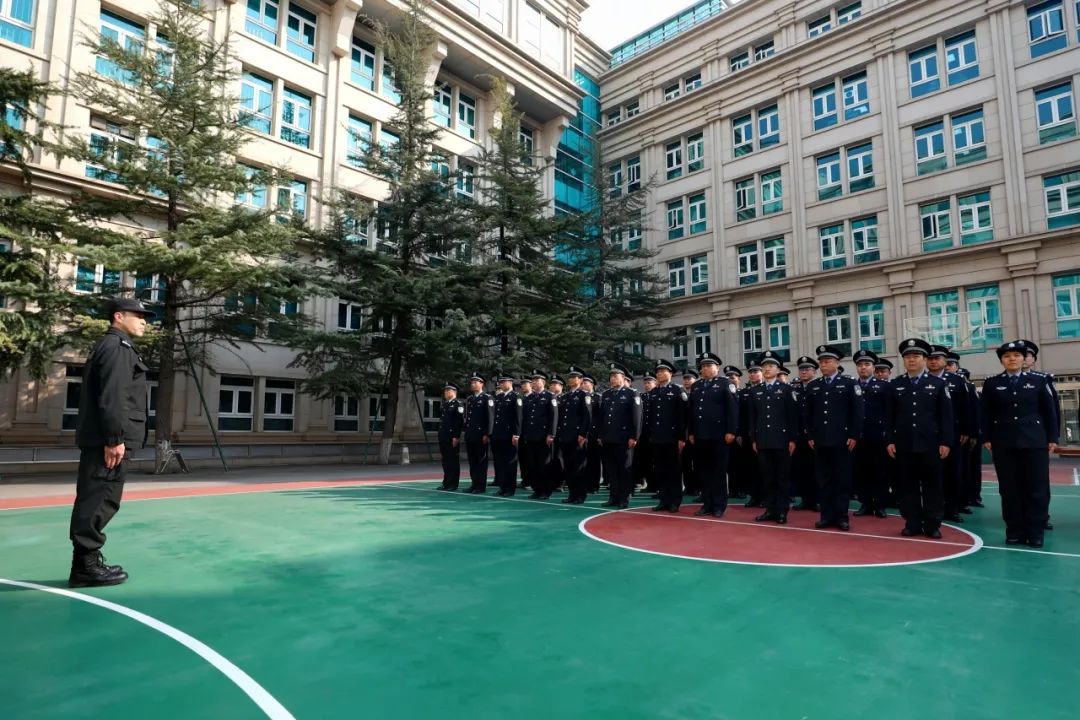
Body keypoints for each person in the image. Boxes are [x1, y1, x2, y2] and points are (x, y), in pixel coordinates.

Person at [68, 297, 154, 588]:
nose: (144, 321)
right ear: (118, 316)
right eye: (138, 315)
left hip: (105, 438)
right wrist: (114, 439)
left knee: (99, 497)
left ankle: (87, 562)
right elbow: (113, 396)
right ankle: (85, 567)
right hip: (109, 441)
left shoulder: (114, 346)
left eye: (145, 317)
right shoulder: (117, 348)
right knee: (99, 499)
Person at [982, 340, 1058, 547]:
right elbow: (985, 413)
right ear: (1002, 360)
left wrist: (1052, 437)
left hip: (1034, 441)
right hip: (1004, 442)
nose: (1012, 359)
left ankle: (1035, 532)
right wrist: (986, 437)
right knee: (1009, 489)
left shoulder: (1039, 381)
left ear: (1024, 359)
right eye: (1007, 356)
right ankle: (1014, 530)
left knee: (1036, 488)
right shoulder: (992, 383)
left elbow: (1049, 411)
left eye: (1016, 355)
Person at [885, 338, 953, 538]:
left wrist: (946, 441)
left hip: (931, 444)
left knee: (933, 486)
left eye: (916, 356)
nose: (911, 360)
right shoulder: (895, 385)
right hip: (904, 444)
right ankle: (912, 522)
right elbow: (889, 416)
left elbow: (946, 416)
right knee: (907, 486)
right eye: (907, 357)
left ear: (924, 359)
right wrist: (889, 440)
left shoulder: (938, 384)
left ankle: (932, 524)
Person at [805, 345, 864, 531]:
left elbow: (857, 412)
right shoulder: (814, 385)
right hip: (820, 440)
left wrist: (854, 435)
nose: (823, 364)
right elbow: (807, 414)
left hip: (842, 440)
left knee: (841, 480)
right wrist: (809, 435)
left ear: (837, 363)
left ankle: (841, 517)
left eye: (827, 361)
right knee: (824, 480)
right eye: (821, 362)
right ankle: (826, 516)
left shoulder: (849, 384)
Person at [747, 351, 798, 524]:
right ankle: (770, 509)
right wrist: (754, 439)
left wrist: (792, 439)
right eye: (765, 366)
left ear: (778, 369)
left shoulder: (786, 389)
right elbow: (753, 417)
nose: (767, 369)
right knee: (767, 477)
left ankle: (782, 510)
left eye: (771, 366)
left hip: (782, 440)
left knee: (782, 478)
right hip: (763, 440)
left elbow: (792, 417)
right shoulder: (755, 391)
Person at [688, 353, 738, 517]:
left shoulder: (725, 383)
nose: (705, 369)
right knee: (704, 471)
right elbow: (692, 411)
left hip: (719, 435)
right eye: (703, 366)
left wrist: (731, 431)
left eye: (709, 366)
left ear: (717, 367)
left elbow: (732, 409)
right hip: (700, 435)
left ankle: (719, 505)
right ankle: (707, 504)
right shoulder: (696, 386)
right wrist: (691, 432)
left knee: (718, 471)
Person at [927, 345, 973, 522]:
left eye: (937, 358)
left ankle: (952, 509)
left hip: (953, 433)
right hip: (929, 434)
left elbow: (965, 408)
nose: (933, 361)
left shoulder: (957, 381)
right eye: (930, 358)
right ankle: (933, 508)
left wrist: (966, 430)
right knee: (931, 474)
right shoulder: (920, 380)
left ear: (945, 361)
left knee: (953, 472)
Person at [598, 363, 643, 509]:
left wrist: (634, 436)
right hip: (608, 438)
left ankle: (624, 498)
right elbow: (602, 417)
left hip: (624, 439)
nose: (612, 379)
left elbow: (636, 417)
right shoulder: (606, 394)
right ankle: (613, 497)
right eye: (611, 376)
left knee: (624, 470)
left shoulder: (631, 393)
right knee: (611, 470)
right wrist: (600, 435)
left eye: (615, 376)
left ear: (623, 378)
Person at [852, 349, 890, 519]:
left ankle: (880, 504)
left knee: (880, 471)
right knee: (861, 471)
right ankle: (865, 503)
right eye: (860, 364)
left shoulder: (884, 386)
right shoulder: (852, 386)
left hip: (878, 436)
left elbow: (889, 412)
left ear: (873, 367)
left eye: (867, 364)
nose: (863, 367)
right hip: (858, 436)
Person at [647, 360, 688, 513]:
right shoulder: (654, 392)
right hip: (657, 437)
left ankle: (674, 501)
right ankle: (663, 500)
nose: (659, 374)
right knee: (660, 470)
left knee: (673, 470)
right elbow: (650, 416)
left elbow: (682, 416)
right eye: (658, 372)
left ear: (670, 373)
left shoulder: (677, 390)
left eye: (663, 371)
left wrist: (682, 437)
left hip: (672, 438)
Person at [557, 366, 593, 504]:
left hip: (578, 437)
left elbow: (587, 416)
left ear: (581, 380)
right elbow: (562, 418)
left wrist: (583, 434)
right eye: (570, 377)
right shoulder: (566, 396)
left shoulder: (584, 395)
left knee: (579, 467)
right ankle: (572, 494)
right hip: (566, 436)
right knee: (569, 467)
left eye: (574, 377)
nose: (571, 379)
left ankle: (580, 495)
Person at [522, 371, 559, 500]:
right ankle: (537, 489)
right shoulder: (529, 398)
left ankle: (545, 490)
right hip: (531, 436)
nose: (534, 382)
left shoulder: (550, 396)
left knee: (544, 465)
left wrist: (551, 434)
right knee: (533, 465)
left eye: (536, 380)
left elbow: (554, 416)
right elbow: (526, 418)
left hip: (544, 437)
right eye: (533, 380)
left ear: (543, 382)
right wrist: (525, 433)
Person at [791, 356, 818, 511]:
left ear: (814, 372)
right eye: (801, 369)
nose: (803, 372)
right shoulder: (795, 389)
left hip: (815, 436)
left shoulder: (818, 387)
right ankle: (806, 499)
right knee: (801, 468)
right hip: (799, 435)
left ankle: (817, 500)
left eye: (807, 369)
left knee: (816, 469)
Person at [490, 372, 522, 497]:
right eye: (500, 382)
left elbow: (518, 417)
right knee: (501, 463)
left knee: (510, 463)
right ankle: (502, 487)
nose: (501, 384)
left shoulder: (516, 397)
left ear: (510, 382)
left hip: (510, 435)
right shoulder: (499, 397)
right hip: (499, 434)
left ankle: (510, 488)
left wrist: (516, 434)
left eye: (503, 382)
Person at [462, 372, 494, 494]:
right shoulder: (470, 399)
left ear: (482, 384)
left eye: (475, 382)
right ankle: (474, 484)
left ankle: (480, 486)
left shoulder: (487, 398)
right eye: (472, 382)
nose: (473, 384)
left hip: (481, 436)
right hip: (471, 435)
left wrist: (487, 434)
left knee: (481, 461)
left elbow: (490, 418)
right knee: (473, 461)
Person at [437, 382, 465, 492]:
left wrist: (456, 436)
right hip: (443, 436)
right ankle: (446, 482)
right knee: (445, 461)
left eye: (448, 390)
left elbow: (459, 422)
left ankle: (453, 483)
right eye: (445, 390)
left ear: (454, 392)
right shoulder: (445, 404)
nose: (446, 392)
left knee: (452, 461)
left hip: (452, 437)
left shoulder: (458, 404)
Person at [724, 365, 746, 500]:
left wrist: (740, 434)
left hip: (741, 435)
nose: (730, 380)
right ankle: (732, 490)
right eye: (728, 378)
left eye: (733, 377)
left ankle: (741, 489)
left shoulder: (743, 394)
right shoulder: (724, 394)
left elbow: (744, 416)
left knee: (741, 464)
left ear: (738, 379)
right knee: (729, 464)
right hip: (727, 435)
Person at [634, 373, 658, 493]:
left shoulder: (657, 395)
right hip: (644, 434)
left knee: (656, 461)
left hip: (654, 433)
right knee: (645, 460)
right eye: (645, 383)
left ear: (655, 383)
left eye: (649, 382)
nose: (647, 385)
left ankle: (657, 485)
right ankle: (650, 484)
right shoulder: (642, 396)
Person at [581, 373, 603, 493]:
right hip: (582, 433)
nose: (583, 385)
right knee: (583, 461)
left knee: (594, 460)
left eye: (586, 383)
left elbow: (600, 417)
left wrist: (600, 435)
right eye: (582, 383)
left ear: (592, 384)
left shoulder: (598, 397)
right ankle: (585, 483)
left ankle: (594, 485)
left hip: (594, 433)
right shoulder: (581, 397)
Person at [680, 369, 699, 498]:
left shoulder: (698, 394)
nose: (687, 381)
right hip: (683, 435)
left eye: (689, 379)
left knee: (697, 463)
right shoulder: (681, 394)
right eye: (685, 379)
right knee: (685, 463)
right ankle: (689, 487)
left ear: (695, 380)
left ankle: (698, 487)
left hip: (695, 434)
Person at [516, 377, 534, 490]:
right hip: (522, 433)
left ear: (531, 385)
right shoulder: (521, 398)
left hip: (531, 432)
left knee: (531, 458)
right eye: (522, 384)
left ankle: (531, 481)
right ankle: (525, 479)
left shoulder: (534, 397)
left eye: (525, 383)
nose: (523, 386)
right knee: (522, 458)